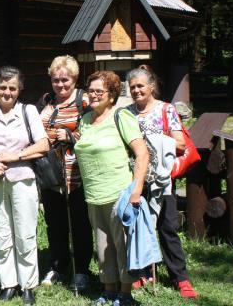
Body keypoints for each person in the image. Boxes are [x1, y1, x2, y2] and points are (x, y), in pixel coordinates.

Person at [0, 66, 49, 305]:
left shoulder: (29, 112)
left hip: (22, 180)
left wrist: (14, 156)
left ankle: (28, 284)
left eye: (12, 88)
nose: (7, 92)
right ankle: (8, 283)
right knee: (1, 233)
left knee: (25, 233)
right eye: (3, 87)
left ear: (19, 89)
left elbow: (43, 145)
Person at [74, 71, 149, 306]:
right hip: (93, 194)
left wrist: (136, 189)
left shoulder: (121, 117)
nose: (94, 95)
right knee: (103, 246)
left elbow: (142, 154)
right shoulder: (85, 120)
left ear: (112, 95)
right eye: (91, 90)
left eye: (99, 91)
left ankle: (125, 293)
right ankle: (109, 290)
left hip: (119, 193)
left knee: (122, 245)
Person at [126, 66, 198, 299]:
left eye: (140, 86)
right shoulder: (127, 113)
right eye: (132, 87)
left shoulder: (166, 110)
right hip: (136, 179)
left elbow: (180, 143)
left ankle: (180, 277)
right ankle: (142, 271)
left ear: (151, 86)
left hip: (161, 179)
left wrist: (152, 141)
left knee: (167, 228)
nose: (136, 90)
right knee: (139, 228)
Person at [36, 55, 93, 290]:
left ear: (75, 79)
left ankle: (81, 270)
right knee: (55, 223)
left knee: (80, 224)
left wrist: (71, 137)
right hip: (51, 174)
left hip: (77, 175)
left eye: (65, 80)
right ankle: (58, 266)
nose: (60, 85)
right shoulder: (46, 101)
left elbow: (95, 132)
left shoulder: (85, 101)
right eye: (56, 80)